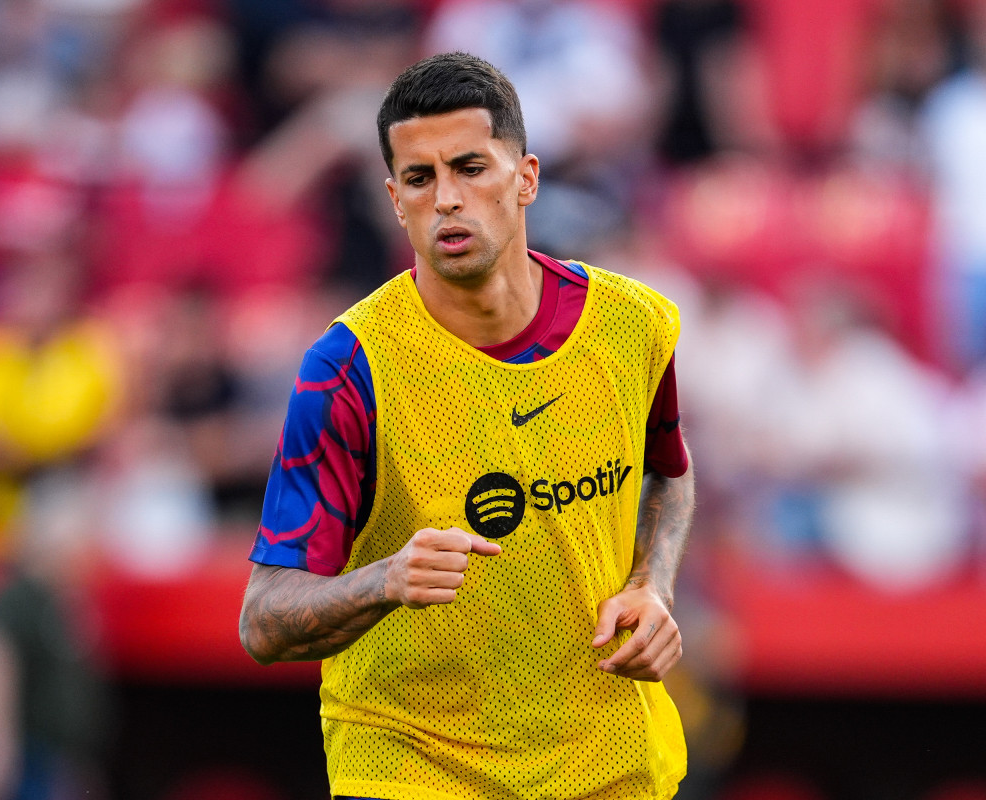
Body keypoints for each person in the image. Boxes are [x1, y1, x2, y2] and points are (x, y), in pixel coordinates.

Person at [239, 52, 695, 800]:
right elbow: (263, 622)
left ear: (527, 178)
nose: (447, 199)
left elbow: (669, 474)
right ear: (395, 200)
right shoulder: (348, 368)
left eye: (470, 168)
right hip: (414, 766)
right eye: (420, 179)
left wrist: (653, 585)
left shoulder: (633, 324)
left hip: (607, 761)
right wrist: (384, 580)